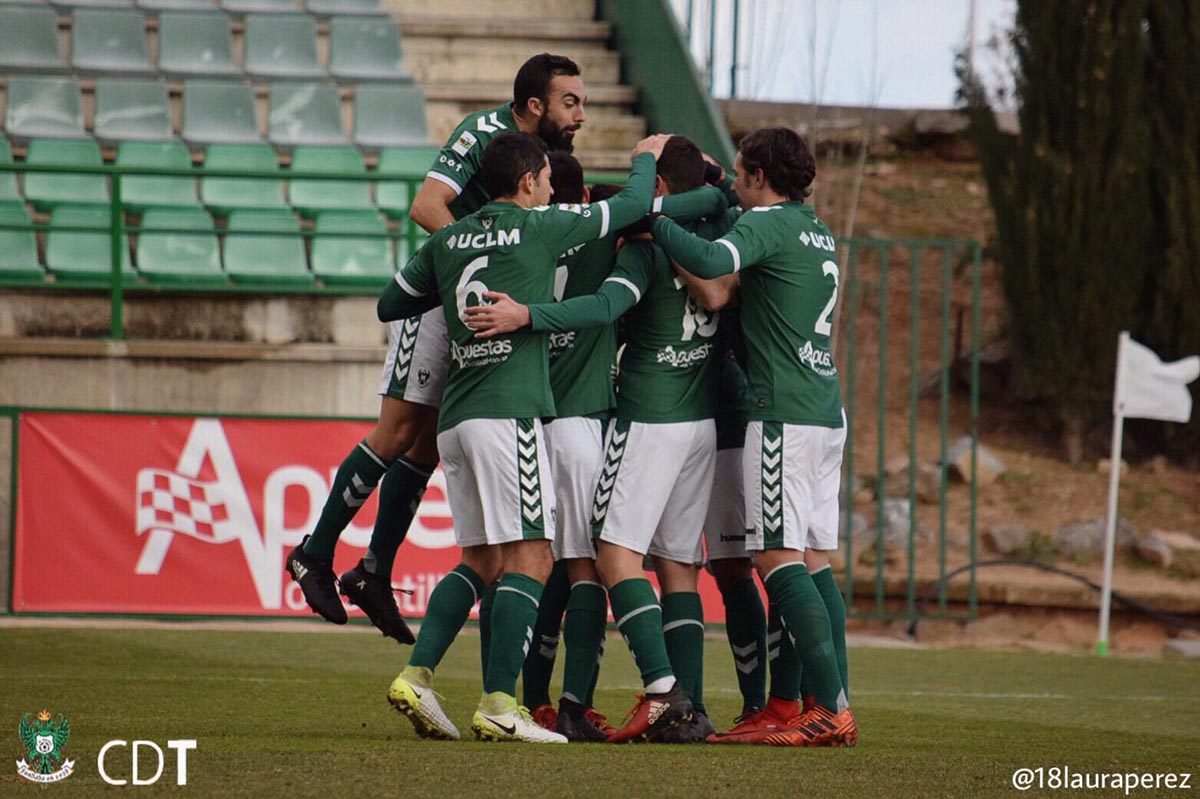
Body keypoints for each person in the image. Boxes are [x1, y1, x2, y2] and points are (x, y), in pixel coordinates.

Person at [285, 54, 589, 646]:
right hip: (438, 301)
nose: (580, 114)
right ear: (535, 105)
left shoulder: (540, 163)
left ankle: (374, 570)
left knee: (424, 446)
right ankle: (313, 553)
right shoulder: (482, 132)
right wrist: (482, 252)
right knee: (396, 434)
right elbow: (427, 206)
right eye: (570, 101)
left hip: (476, 308)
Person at [381, 131, 664, 743]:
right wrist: (645, 157)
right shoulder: (541, 227)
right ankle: (500, 704)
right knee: (534, 556)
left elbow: (391, 302)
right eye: (543, 180)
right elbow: (634, 204)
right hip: (510, 414)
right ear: (532, 180)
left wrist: (460, 286)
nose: (547, 189)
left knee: (481, 559)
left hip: (455, 417)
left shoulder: (451, 236)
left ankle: (417, 677)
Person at [465, 135, 730, 743]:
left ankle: (587, 699)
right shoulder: (713, 235)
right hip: (685, 420)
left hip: (574, 417)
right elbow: (718, 215)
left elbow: (608, 305)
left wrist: (527, 316)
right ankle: (663, 704)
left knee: (560, 563)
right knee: (666, 566)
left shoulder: (562, 243)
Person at [647, 126, 856, 747]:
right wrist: (714, 185)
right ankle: (818, 702)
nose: (736, 184)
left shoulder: (768, 224)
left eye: (741, 174)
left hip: (783, 412)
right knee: (814, 562)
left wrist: (651, 215)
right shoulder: (812, 227)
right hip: (824, 407)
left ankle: (829, 710)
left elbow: (712, 262)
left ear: (762, 176)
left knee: (774, 557)